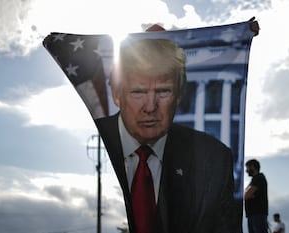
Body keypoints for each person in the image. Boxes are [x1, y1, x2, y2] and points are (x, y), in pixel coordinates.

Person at [95, 36, 237, 233]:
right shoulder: (95, 139)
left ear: (178, 96)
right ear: (117, 95)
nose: (150, 107)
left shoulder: (213, 158)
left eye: (163, 92)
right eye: (138, 92)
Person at [244, 159, 268, 233]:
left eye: (247, 168)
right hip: (253, 214)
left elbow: (246, 195)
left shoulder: (259, 178)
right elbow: (246, 194)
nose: (246, 170)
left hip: (257, 214)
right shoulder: (254, 180)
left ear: (253, 167)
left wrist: (248, 194)